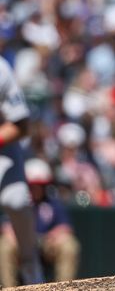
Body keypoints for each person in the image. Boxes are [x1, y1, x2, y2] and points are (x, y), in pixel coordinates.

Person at [0, 158, 80, 285]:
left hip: (46, 243)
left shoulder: (52, 201)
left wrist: (55, 235)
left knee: (69, 245)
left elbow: (66, 227)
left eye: (40, 185)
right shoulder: (18, 199)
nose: (36, 188)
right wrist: (13, 233)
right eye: (33, 185)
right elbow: (5, 226)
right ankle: (9, 288)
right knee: (4, 245)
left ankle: (65, 287)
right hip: (22, 243)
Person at [0, 57, 44, 285]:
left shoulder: (1, 69)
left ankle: (30, 264)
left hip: (2, 148)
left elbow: (21, 125)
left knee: (16, 200)